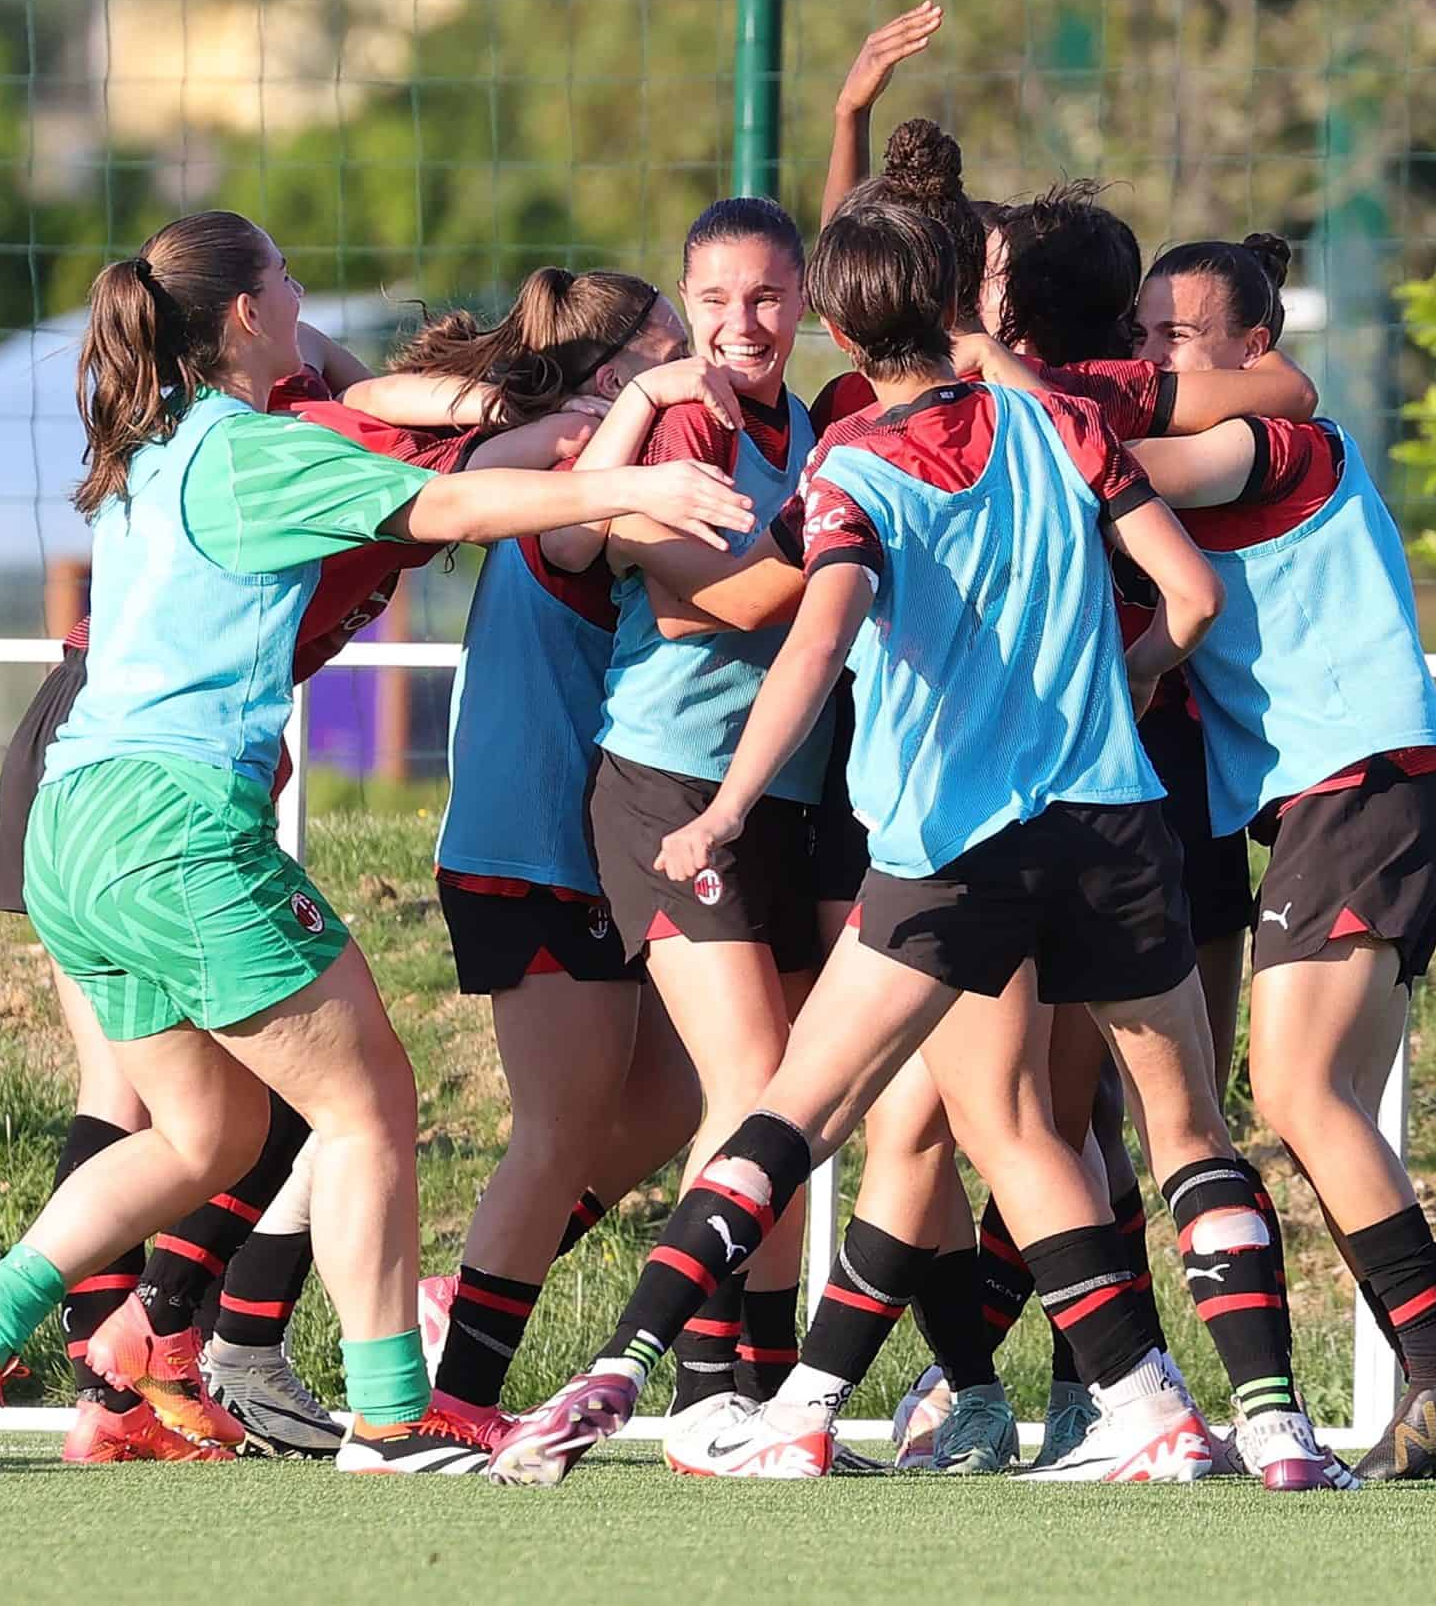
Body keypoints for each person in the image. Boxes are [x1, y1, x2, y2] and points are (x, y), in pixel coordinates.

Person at [493, 195, 1353, 1491]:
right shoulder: (1066, 424)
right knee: (1177, 1126)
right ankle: (1257, 1424)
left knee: (813, 1108)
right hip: (1114, 826)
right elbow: (1193, 594)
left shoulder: (855, 467)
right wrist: (1114, 693)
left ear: (836, 325)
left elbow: (814, 636)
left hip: (951, 844)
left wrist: (724, 805)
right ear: (962, 301)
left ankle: (636, 1364)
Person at [0, 208, 757, 1475]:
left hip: (76, 820)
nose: (303, 292)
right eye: (288, 276)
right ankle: (397, 1416)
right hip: (168, 824)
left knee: (206, 1136)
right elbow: (451, 508)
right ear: (246, 312)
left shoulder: (157, 438)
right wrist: (629, 475)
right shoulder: (255, 452)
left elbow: (405, 411)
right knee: (369, 1105)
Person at [1129, 235, 1436, 1481]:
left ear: (1255, 349)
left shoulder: (1274, 444)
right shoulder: (1244, 441)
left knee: (1293, 1092)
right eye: (1138, 334)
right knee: (1315, 1101)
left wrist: (1000, 387)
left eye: (1171, 338)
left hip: (1357, 790)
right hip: (1364, 798)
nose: (1147, 360)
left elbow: (1120, 470)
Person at [350, 269, 719, 1467]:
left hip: (596, 837)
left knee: (667, 1100)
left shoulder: (597, 443)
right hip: (530, 838)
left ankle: (468, 1293)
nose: (699, 362)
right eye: (672, 346)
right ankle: (444, 1395)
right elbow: (526, 462)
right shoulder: (577, 453)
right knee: (555, 1128)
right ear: (615, 371)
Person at [529, 197, 832, 1471]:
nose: (739, 323)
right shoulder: (677, 424)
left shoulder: (816, 430)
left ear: (806, 301)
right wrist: (645, 408)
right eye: (713, 299)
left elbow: (771, 602)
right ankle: (698, 1388)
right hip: (666, 792)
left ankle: (752, 1385)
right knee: (755, 1084)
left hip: (791, 800)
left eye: (765, 297)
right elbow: (585, 541)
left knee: (796, 1113)